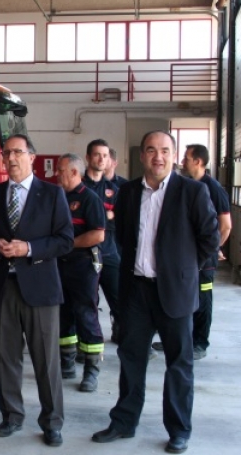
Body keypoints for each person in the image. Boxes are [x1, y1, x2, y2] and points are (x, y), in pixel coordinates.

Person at [91, 131, 219, 454]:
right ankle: (123, 422)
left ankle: (178, 429)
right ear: (142, 156)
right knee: (131, 358)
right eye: (151, 150)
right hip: (136, 292)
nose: (157, 157)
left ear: (173, 156)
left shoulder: (192, 191)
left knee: (178, 362)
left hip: (175, 292)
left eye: (164, 150)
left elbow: (210, 238)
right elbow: (123, 237)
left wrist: (184, 270)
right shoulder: (129, 192)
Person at [0, 134, 73, 447]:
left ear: (32, 156)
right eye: (7, 153)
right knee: (7, 357)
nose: (12, 158)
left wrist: (28, 248)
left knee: (46, 360)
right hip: (4, 286)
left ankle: (52, 422)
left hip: (41, 289)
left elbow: (65, 240)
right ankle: (11, 416)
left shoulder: (52, 194)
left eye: (18, 152)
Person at [152, 144, 232, 360]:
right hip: (187, 259)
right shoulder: (186, 186)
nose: (182, 162)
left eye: (186, 158)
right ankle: (181, 338)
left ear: (198, 161)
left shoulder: (212, 188)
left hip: (204, 260)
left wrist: (212, 251)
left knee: (203, 300)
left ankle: (199, 342)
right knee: (184, 298)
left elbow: (225, 226)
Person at [56, 154, 106, 392]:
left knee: (85, 314)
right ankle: (66, 362)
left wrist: (68, 244)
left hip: (83, 265)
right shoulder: (58, 197)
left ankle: (91, 369)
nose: (58, 174)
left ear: (75, 172)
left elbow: (98, 235)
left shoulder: (90, 199)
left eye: (62, 170)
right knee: (63, 312)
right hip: (59, 264)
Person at [83, 139, 121, 345]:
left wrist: (107, 219)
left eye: (105, 155)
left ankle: (125, 337)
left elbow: (121, 220)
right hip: (83, 254)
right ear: (88, 157)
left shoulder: (115, 190)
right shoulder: (78, 187)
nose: (101, 159)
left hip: (109, 252)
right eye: (97, 154)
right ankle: (86, 344)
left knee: (120, 299)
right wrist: (107, 216)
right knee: (87, 301)